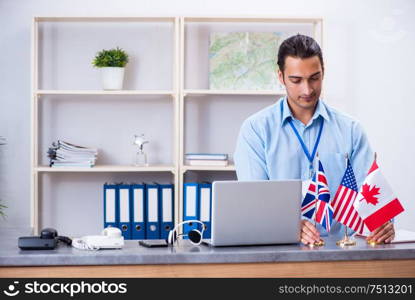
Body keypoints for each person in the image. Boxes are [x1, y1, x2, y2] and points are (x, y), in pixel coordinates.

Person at [234, 34, 395, 245]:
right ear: (281, 77)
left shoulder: (351, 130)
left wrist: (384, 223)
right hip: (278, 251)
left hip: (339, 254)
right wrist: (289, 225)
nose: (307, 90)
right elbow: (254, 202)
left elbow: (372, 194)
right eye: (296, 80)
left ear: (323, 73)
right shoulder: (255, 130)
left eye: (314, 78)